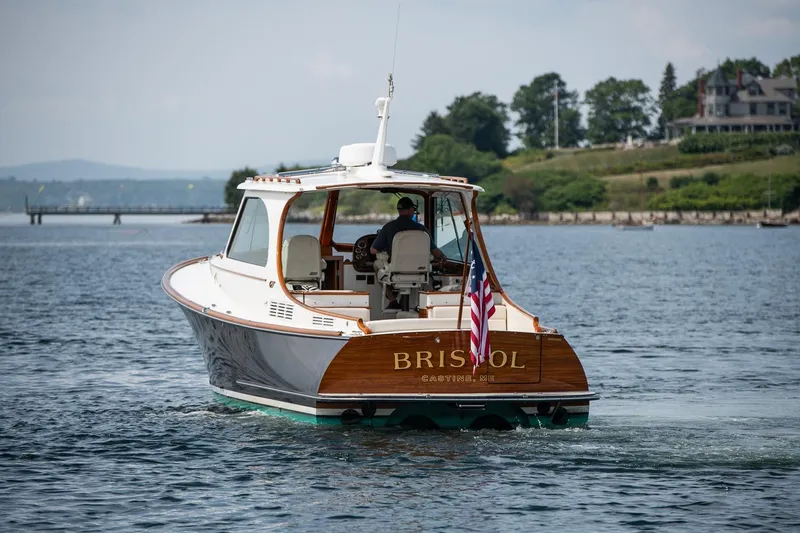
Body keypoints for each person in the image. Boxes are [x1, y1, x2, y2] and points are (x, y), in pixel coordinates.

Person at [371, 197, 447, 309]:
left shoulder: (388, 227)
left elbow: (373, 250)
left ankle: (392, 300)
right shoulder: (421, 229)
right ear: (411, 210)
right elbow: (435, 252)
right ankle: (422, 305)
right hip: (419, 272)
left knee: (376, 265)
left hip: (395, 270)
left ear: (399, 210)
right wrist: (444, 257)